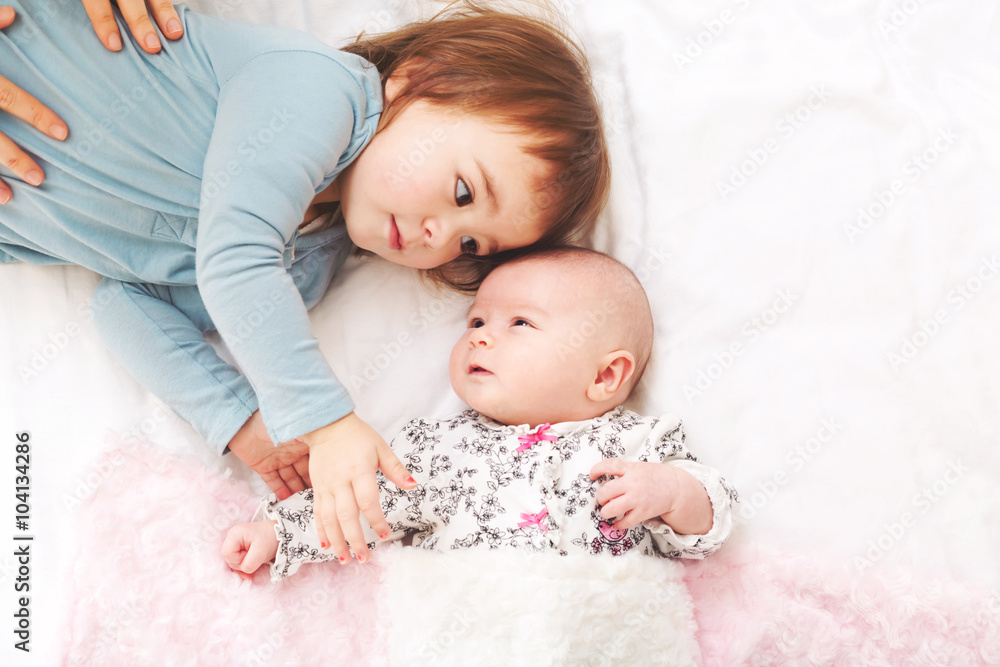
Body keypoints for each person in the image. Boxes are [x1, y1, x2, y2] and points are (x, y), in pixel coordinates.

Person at [0, 1, 610, 565]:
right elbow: (235, 253)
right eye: (462, 192)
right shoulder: (321, 89)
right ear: (419, 80)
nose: (438, 235)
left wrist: (242, 421)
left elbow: (124, 303)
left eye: (470, 243)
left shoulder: (307, 269)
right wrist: (326, 420)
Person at [223, 248, 738, 581]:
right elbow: (359, 504)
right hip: (472, 627)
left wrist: (670, 492)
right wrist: (279, 533)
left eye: (519, 322)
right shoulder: (434, 448)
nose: (480, 336)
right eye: (476, 320)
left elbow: (710, 525)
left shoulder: (640, 447)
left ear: (605, 376)